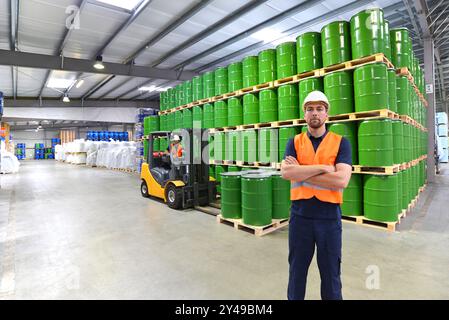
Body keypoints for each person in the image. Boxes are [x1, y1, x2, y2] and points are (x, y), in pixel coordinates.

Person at [281, 90, 352, 300]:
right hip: (300, 217)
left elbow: (342, 180)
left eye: (319, 109)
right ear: (304, 114)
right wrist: (324, 168)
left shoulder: (341, 142)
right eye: (310, 109)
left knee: (331, 276)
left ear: (326, 114)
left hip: (329, 218)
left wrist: (301, 172)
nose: (315, 113)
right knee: (296, 274)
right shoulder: (294, 142)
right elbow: (286, 172)